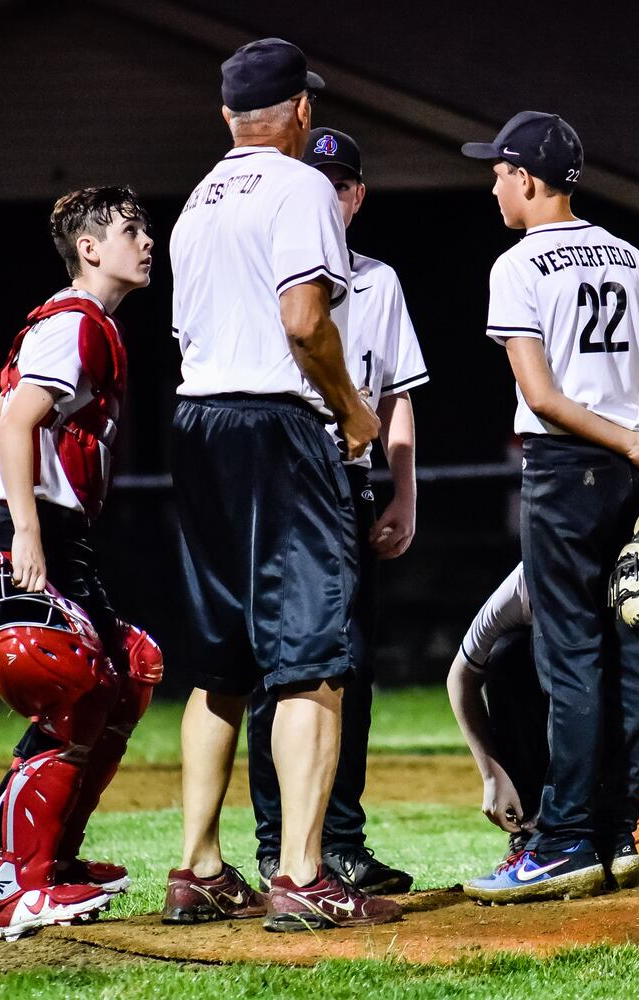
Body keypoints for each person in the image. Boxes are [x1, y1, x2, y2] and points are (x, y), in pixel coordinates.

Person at [165, 38, 400, 933]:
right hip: (278, 425)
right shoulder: (301, 186)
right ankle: (302, 875)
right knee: (313, 655)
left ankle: (198, 868)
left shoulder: (196, 201)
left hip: (199, 423)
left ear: (227, 115)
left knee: (221, 663)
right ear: (301, 111)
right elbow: (304, 320)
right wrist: (351, 409)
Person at [458, 111, 639, 905]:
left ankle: (563, 843)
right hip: (629, 471)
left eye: (498, 170)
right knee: (625, 653)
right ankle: (616, 833)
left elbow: (542, 396)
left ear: (526, 178)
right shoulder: (630, 255)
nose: (492, 182)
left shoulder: (518, 265)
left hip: (567, 468)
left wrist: (627, 446)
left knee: (571, 658)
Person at [0, 187, 164, 942]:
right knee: (65, 678)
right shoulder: (76, 322)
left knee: (129, 670)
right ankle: (14, 886)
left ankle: (55, 862)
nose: (146, 242)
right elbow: (16, 420)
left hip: (59, 529)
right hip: (36, 528)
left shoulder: (82, 325)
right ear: (89, 249)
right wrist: (23, 528)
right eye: (128, 231)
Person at [246, 126, 428, 896]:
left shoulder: (377, 281)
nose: (325, 194)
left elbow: (397, 396)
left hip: (350, 484)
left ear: (356, 195)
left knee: (348, 666)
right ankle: (273, 844)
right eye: (310, 181)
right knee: (277, 668)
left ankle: (340, 840)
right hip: (282, 477)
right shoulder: (267, 273)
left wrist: (403, 491)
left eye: (338, 184)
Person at [446, 563, 639, 876]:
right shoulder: (535, 580)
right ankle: (533, 829)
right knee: (508, 654)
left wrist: (605, 797)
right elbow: (460, 677)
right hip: (575, 691)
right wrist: (492, 775)